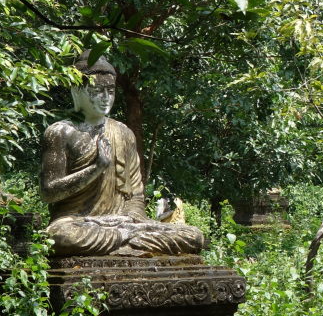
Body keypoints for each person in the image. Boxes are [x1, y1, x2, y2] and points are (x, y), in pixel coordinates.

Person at [41, 55, 204, 257]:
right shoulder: (60, 132)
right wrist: (95, 169)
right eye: (96, 91)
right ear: (77, 91)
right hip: (77, 221)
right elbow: (49, 192)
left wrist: (129, 219)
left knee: (193, 235)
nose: (105, 98)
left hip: (123, 224)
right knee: (61, 237)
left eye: (110, 91)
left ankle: (127, 241)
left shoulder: (123, 132)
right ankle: (133, 243)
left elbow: (135, 195)